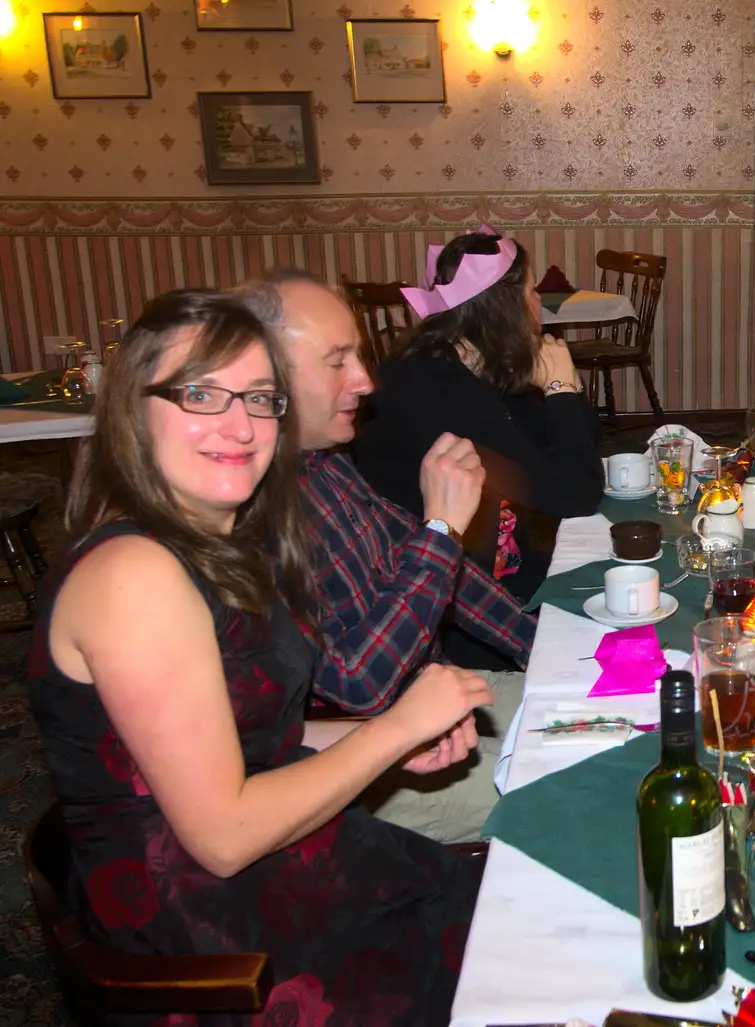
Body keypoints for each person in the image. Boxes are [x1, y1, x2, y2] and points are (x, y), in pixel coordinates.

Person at [27, 290, 491, 1025]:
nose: (239, 425)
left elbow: (248, 738)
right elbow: (223, 836)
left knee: (525, 914)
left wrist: (392, 743)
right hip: (217, 941)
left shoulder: (216, 546)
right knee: (520, 950)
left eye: (261, 397)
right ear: (131, 409)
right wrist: (390, 730)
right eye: (201, 394)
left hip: (278, 870)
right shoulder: (133, 575)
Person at [238, 270, 535, 844]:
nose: (366, 380)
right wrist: (443, 526)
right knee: (580, 781)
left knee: (623, 707)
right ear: (262, 376)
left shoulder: (321, 462)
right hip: (353, 761)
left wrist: (546, 645)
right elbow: (359, 685)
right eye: (337, 360)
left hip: (422, 689)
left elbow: (433, 570)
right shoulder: (253, 508)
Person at [354, 224, 604, 655]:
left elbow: (574, 456)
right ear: (503, 307)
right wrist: (561, 390)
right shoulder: (438, 388)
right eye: (529, 290)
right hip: (447, 618)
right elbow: (576, 492)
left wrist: (564, 392)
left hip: (489, 568)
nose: (537, 302)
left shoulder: (471, 362)